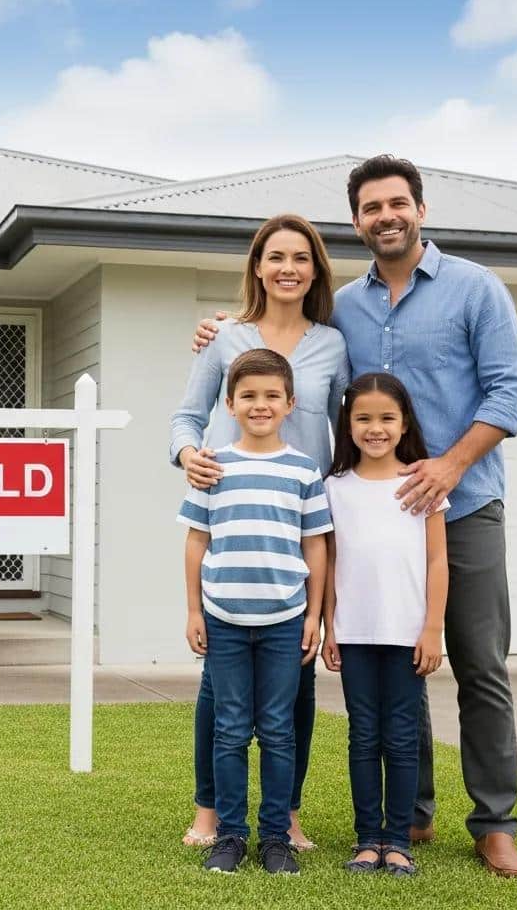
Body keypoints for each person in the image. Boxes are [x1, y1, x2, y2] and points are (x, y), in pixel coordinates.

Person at [193, 155, 517, 877]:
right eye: (372, 207)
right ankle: (411, 813)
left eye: (397, 203)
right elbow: (287, 352)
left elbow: (509, 394)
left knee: (477, 664)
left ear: (421, 208)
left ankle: (494, 822)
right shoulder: (344, 305)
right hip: (362, 515)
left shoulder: (476, 288)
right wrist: (227, 330)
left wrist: (448, 465)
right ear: (357, 222)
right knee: (395, 658)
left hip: (460, 505)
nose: (387, 216)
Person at [171, 213, 349, 851]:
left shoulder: (332, 342)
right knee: (217, 692)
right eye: (275, 257)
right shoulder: (224, 335)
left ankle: (288, 811)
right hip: (233, 515)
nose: (288, 269)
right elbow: (188, 418)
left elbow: (347, 429)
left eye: (301, 258)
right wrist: (188, 455)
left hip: (299, 520)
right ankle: (210, 809)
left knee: (294, 684)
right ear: (256, 265)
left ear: (315, 270)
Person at [178, 348, 331, 875]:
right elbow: (197, 542)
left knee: (278, 730)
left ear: (291, 403)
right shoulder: (213, 466)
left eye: (271, 396)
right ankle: (230, 834)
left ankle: (275, 838)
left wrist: (313, 616)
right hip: (223, 618)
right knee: (229, 728)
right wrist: (194, 611)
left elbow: (315, 546)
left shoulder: (304, 470)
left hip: (285, 621)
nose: (260, 405)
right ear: (230, 402)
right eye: (248, 396)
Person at [321, 373, 449, 877]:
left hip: (405, 635)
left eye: (386, 418)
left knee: (401, 738)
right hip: (354, 634)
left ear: (404, 424)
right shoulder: (336, 488)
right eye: (364, 419)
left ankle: (398, 840)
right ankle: (367, 839)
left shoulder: (423, 483)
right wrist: (331, 628)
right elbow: (330, 562)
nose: (375, 428)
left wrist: (432, 628)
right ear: (348, 425)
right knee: (362, 737)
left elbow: (438, 560)